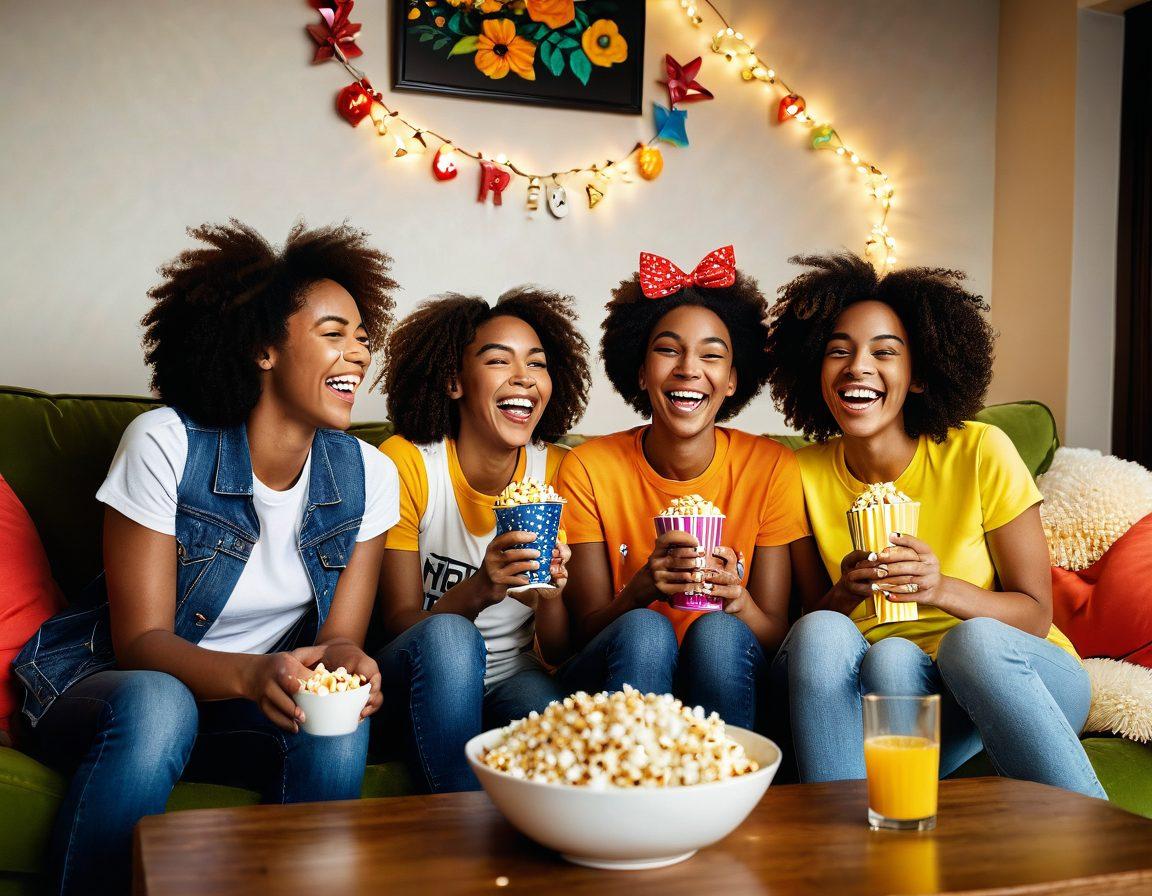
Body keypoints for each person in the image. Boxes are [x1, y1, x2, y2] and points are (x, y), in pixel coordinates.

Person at [13, 221, 402, 894]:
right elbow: (141, 644)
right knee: (163, 704)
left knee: (332, 719)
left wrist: (349, 664)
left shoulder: (370, 474)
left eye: (363, 337)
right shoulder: (164, 444)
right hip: (111, 688)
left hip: (236, 708)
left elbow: (338, 637)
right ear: (263, 348)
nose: (358, 354)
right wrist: (255, 676)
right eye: (333, 333)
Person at [764, 251, 1105, 798]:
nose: (858, 367)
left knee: (969, 644)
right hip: (887, 685)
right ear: (815, 371)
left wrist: (941, 587)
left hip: (1014, 673)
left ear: (919, 376)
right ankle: (846, 853)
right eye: (838, 351)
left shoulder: (980, 451)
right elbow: (798, 629)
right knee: (853, 643)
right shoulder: (796, 473)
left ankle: (1100, 858)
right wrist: (844, 594)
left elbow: (1037, 616)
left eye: (885, 352)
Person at [557, 247, 811, 731]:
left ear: (733, 379)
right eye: (668, 349)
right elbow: (577, 637)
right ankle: (631, 792)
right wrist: (638, 592)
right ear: (639, 370)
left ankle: (722, 786)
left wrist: (738, 600)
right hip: (616, 670)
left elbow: (777, 636)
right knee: (646, 629)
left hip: (728, 671)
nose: (689, 368)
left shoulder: (771, 467)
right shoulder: (589, 468)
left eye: (712, 355)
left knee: (717, 632)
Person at [369, 288, 597, 792]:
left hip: (516, 674)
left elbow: (557, 647)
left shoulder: (558, 470)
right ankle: (456, 833)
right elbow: (398, 623)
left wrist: (551, 599)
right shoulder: (409, 462)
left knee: (553, 721)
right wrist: (481, 588)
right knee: (452, 638)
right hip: (421, 673)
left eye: (536, 364)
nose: (523, 376)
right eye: (499, 360)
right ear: (454, 381)